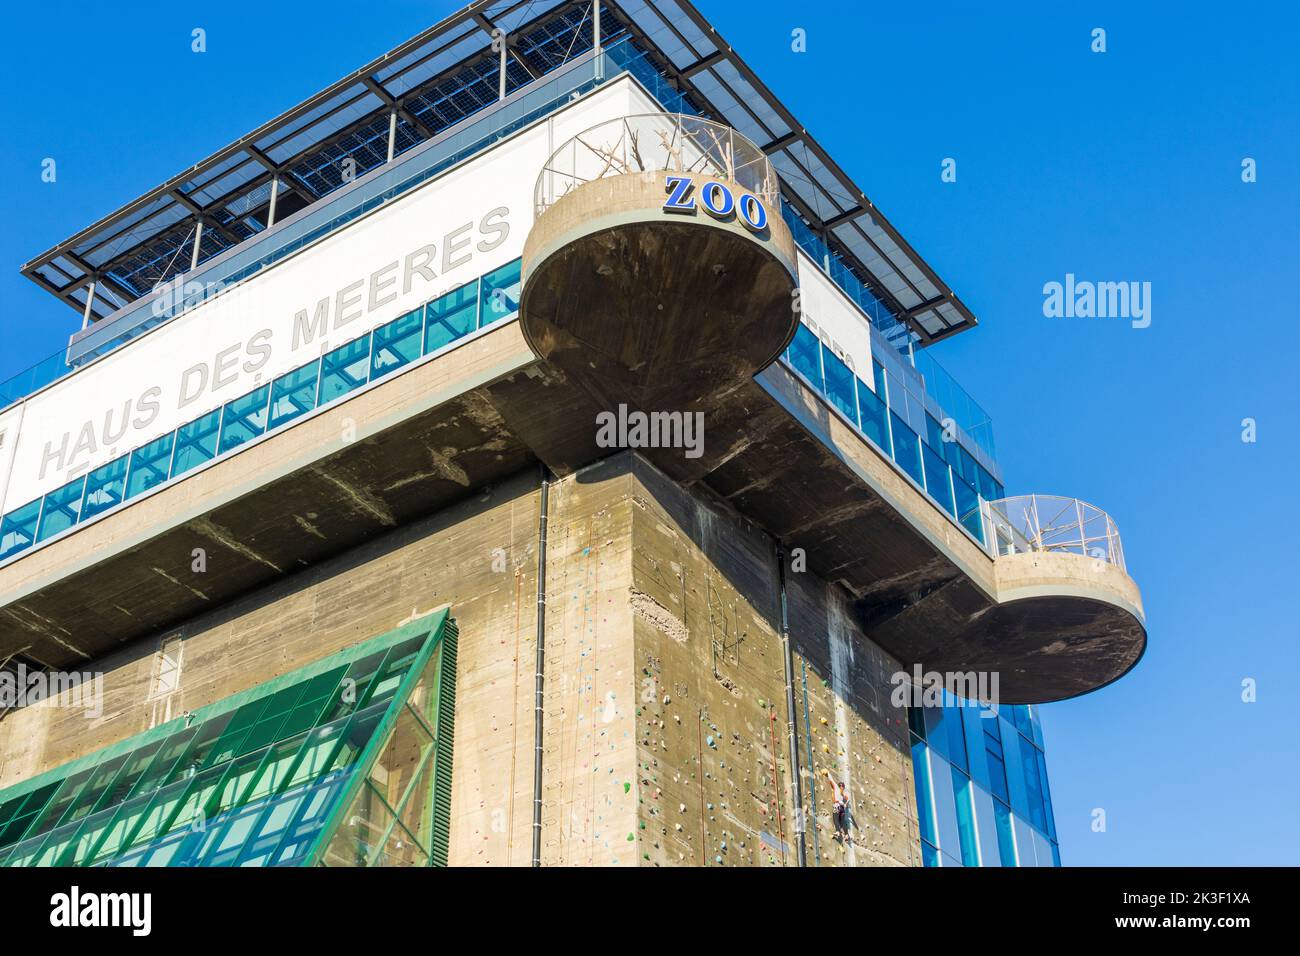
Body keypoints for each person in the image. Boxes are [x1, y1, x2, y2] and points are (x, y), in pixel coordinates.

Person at [825, 769, 849, 838]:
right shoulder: (844, 795)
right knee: (843, 821)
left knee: (835, 819)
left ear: (839, 786)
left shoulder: (837, 789)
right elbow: (847, 802)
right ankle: (846, 835)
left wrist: (828, 772)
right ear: (843, 787)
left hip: (837, 806)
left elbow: (831, 780)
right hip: (842, 809)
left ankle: (838, 831)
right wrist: (845, 803)